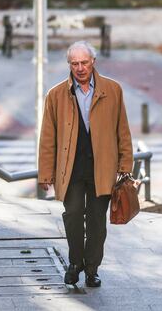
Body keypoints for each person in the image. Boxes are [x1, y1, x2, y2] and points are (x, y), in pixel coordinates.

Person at [38, 41, 133, 287]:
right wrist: (45, 173)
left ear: (93, 62)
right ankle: (75, 263)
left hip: (102, 168)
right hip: (70, 169)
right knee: (71, 216)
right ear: (69, 64)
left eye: (84, 62)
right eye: (74, 63)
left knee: (96, 222)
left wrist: (126, 163)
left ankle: (92, 269)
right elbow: (48, 138)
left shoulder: (113, 90)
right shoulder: (56, 94)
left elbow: (122, 129)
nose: (80, 68)